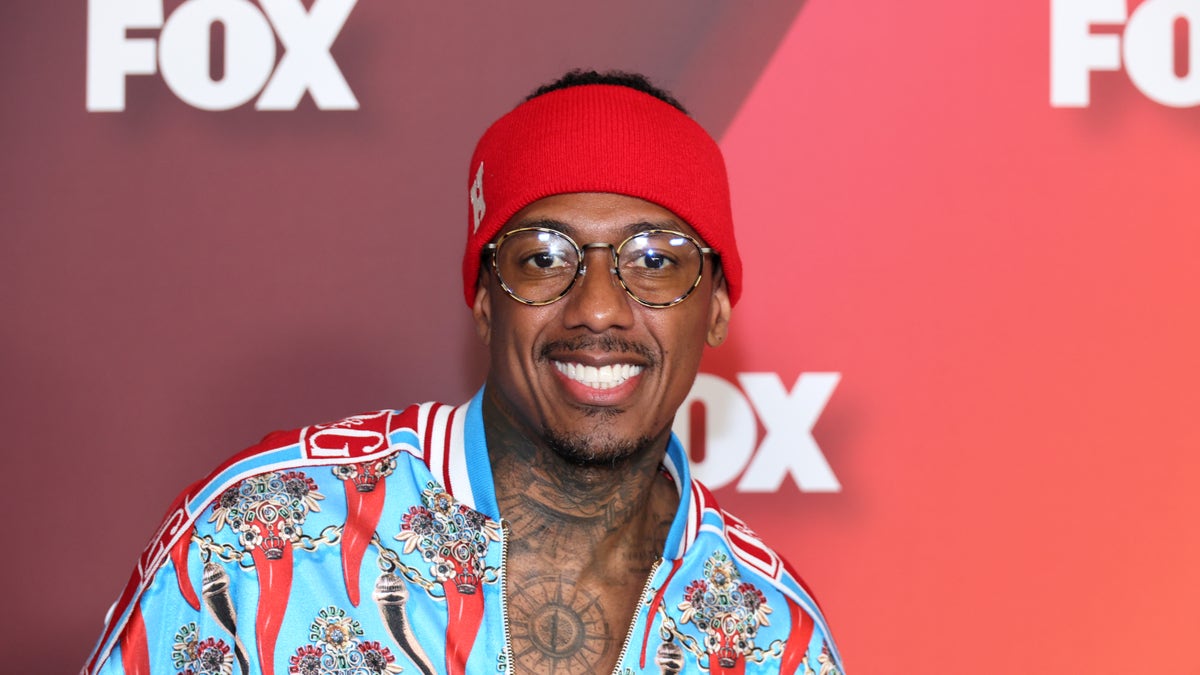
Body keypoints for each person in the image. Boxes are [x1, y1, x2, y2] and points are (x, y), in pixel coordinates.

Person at [83, 70, 844, 675]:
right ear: (484, 299)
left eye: (655, 261)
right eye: (544, 256)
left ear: (715, 307)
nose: (600, 309)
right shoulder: (261, 534)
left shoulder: (774, 637)